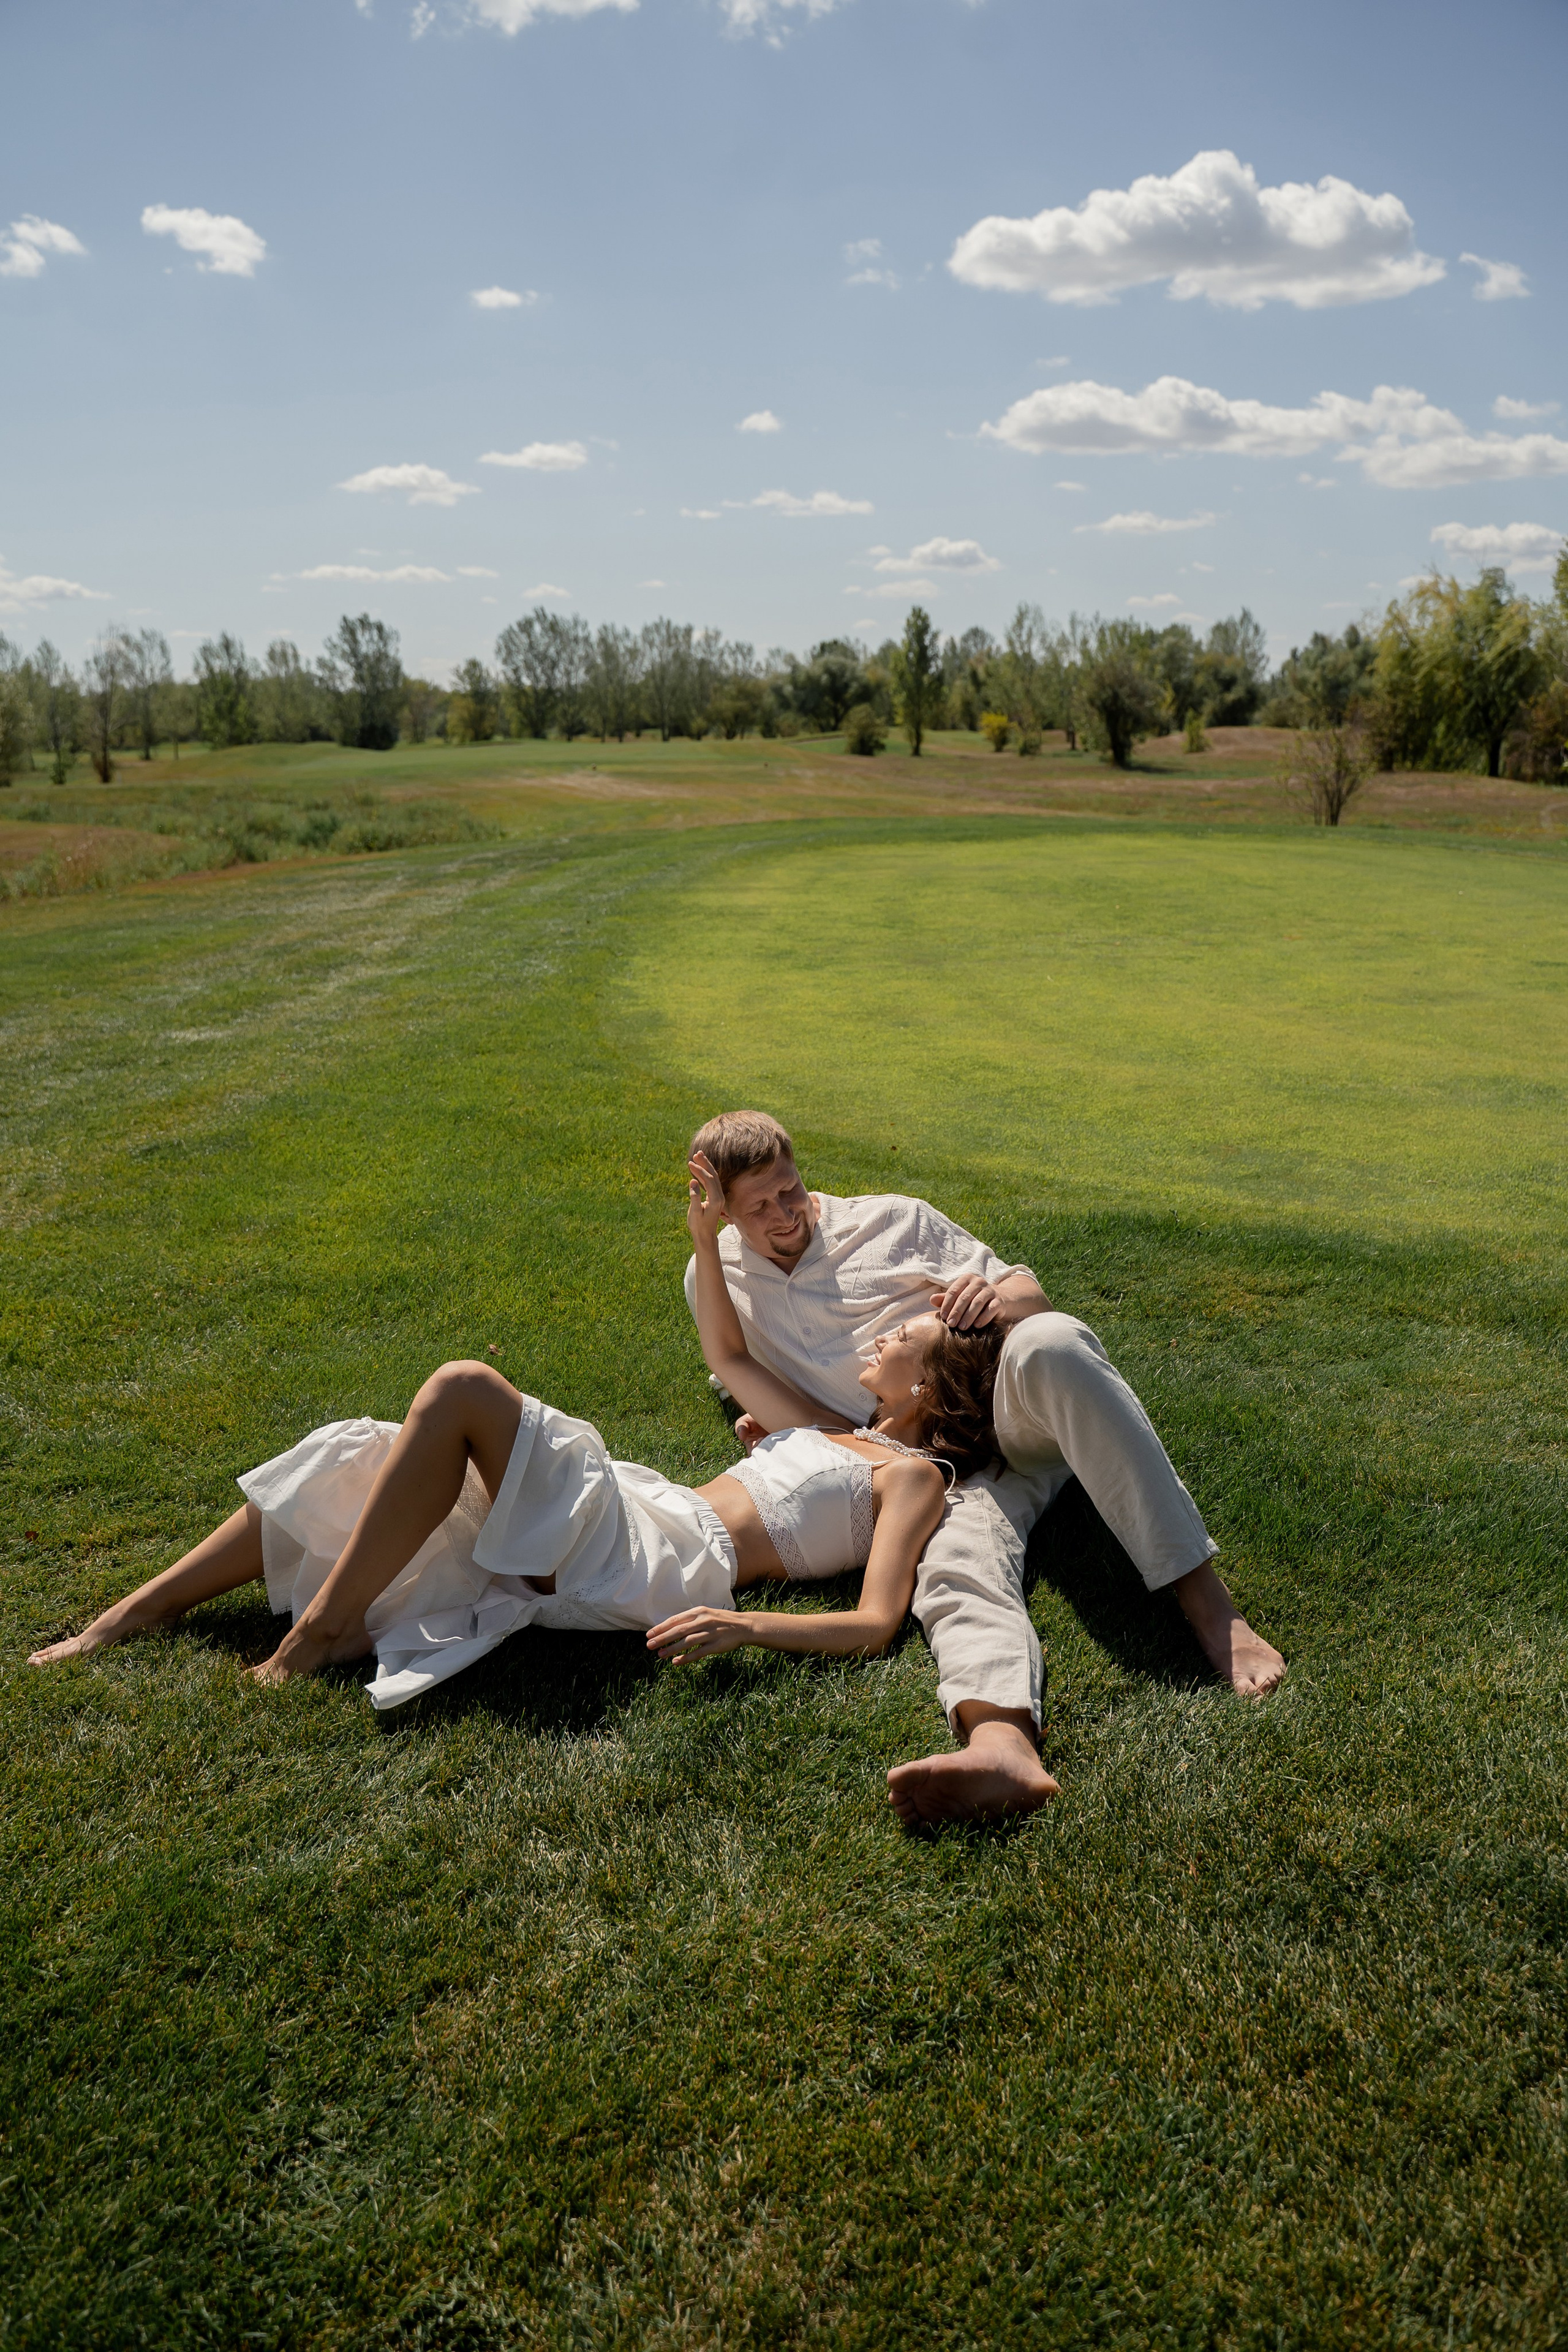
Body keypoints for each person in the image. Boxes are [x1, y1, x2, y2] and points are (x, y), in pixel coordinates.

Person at [28, 1198, 1004, 1710]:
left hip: (668, 1561)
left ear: (931, 1388)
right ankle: (135, 1613)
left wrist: (745, 1629)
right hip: (647, 1505)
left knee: (463, 1389)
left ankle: (315, 1636)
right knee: (358, 1452)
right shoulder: (831, 1425)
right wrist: (772, 1437)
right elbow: (731, 1361)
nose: (883, 1333)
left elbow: (876, 1623)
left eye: (904, 1337)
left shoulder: (913, 1477)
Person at [681, 1110, 1287, 1829]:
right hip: (913, 1461)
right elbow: (739, 1370)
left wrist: (995, 1300)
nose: (786, 1213)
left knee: (1050, 1340)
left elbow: (1030, 1296)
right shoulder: (716, 1277)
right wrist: (796, 1437)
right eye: (759, 1206)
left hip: (1007, 1409)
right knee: (956, 1563)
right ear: (721, 1210)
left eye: (791, 1189)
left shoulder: (891, 1220)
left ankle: (1206, 1600)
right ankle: (1002, 1747)